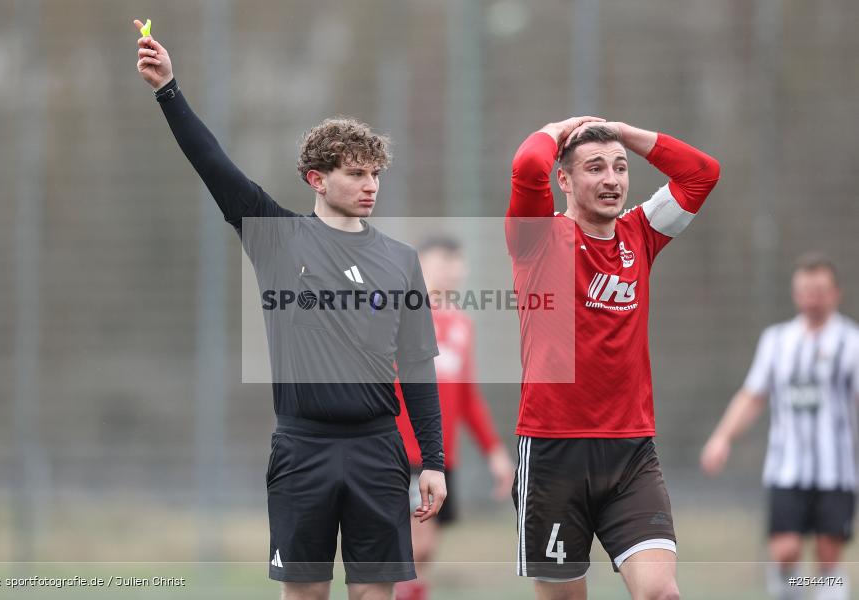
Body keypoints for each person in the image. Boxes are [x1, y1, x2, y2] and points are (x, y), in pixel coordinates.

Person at [133, 20, 447, 600]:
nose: (369, 184)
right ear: (317, 179)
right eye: (355, 173)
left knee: (376, 595)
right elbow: (214, 165)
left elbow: (419, 367)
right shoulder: (277, 238)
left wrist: (433, 460)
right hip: (304, 449)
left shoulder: (401, 260)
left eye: (375, 173)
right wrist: (168, 89)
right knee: (305, 595)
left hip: (380, 451)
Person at [506, 117, 720, 600]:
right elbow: (526, 163)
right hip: (553, 453)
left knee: (661, 592)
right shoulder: (537, 238)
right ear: (563, 179)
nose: (611, 179)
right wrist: (560, 129)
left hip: (630, 453)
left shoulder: (641, 232)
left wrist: (624, 133)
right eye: (595, 167)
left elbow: (701, 173)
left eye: (620, 168)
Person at [701, 254, 859, 600]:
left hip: (837, 471)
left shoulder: (851, 343)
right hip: (786, 468)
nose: (812, 299)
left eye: (820, 291)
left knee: (828, 555)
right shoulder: (777, 341)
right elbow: (752, 396)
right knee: (785, 552)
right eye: (805, 291)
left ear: (835, 294)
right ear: (795, 294)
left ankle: (825, 593)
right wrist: (722, 438)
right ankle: (796, 594)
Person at [393, 236, 516, 600]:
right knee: (418, 547)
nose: (449, 271)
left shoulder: (461, 324)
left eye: (455, 263)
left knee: (424, 553)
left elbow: (466, 396)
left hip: (441, 456)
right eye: (440, 262)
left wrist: (494, 450)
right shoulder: (400, 316)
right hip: (401, 452)